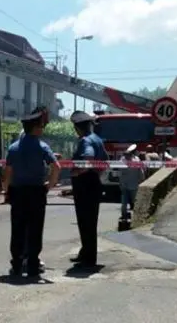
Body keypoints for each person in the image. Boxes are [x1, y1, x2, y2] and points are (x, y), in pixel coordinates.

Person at [3, 111, 60, 277]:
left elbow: (7, 172)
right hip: (37, 192)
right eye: (40, 126)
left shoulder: (13, 148)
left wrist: (7, 191)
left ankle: (17, 265)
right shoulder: (42, 146)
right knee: (35, 228)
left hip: (18, 192)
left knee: (18, 229)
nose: (42, 129)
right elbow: (56, 166)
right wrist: (49, 185)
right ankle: (33, 265)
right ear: (35, 128)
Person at [69, 110, 109, 268]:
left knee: (85, 221)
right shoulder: (98, 140)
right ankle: (86, 252)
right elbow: (105, 162)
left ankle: (89, 257)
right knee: (90, 222)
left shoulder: (85, 141)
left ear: (78, 128)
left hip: (85, 184)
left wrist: (76, 172)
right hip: (94, 183)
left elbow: (88, 159)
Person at [119, 144, 144, 219]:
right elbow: (141, 172)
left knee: (128, 201)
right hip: (130, 184)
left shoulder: (123, 160)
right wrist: (142, 179)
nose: (126, 156)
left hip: (128, 184)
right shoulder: (135, 160)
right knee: (130, 201)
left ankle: (127, 215)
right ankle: (131, 215)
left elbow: (140, 171)